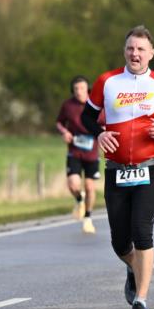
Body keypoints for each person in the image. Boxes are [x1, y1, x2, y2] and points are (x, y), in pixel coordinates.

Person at [82, 25, 154, 309]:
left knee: (142, 231)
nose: (135, 53)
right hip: (116, 171)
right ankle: (132, 267)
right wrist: (99, 135)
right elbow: (87, 117)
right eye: (130, 48)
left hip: (148, 170)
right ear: (124, 51)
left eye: (140, 49)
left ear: (151, 53)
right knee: (119, 241)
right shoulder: (107, 81)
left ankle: (141, 299)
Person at [56, 75, 99, 234]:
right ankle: (79, 199)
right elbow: (59, 122)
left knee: (89, 186)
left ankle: (88, 218)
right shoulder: (68, 105)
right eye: (76, 89)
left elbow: (105, 122)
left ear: (87, 89)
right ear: (72, 91)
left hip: (92, 150)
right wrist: (64, 132)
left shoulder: (95, 104)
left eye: (82, 88)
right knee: (73, 184)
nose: (79, 92)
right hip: (74, 149)